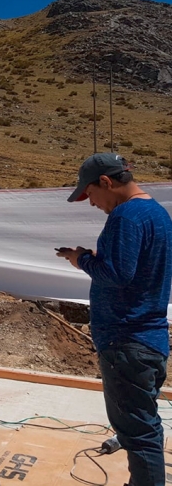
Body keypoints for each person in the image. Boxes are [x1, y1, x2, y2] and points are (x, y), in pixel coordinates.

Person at [57, 153, 172, 486]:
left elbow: (119, 274)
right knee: (143, 426)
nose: (91, 203)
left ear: (105, 182)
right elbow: (136, 269)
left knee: (137, 432)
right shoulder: (156, 213)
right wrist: (95, 258)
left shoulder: (126, 217)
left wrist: (82, 261)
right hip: (146, 338)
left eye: (90, 194)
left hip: (128, 342)